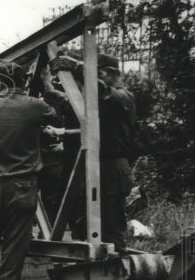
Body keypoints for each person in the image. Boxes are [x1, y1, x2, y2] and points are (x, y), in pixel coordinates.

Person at [0, 59, 58, 280]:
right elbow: (56, 115)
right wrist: (47, 85)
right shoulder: (35, 107)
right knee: (16, 240)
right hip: (22, 184)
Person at [49, 52, 137, 254]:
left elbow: (102, 91)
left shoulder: (124, 97)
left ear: (112, 74)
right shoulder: (104, 101)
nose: (93, 79)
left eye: (97, 74)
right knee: (86, 224)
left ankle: (118, 273)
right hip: (96, 166)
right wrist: (50, 88)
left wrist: (78, 68)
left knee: (112, 227)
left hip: (112, 168)